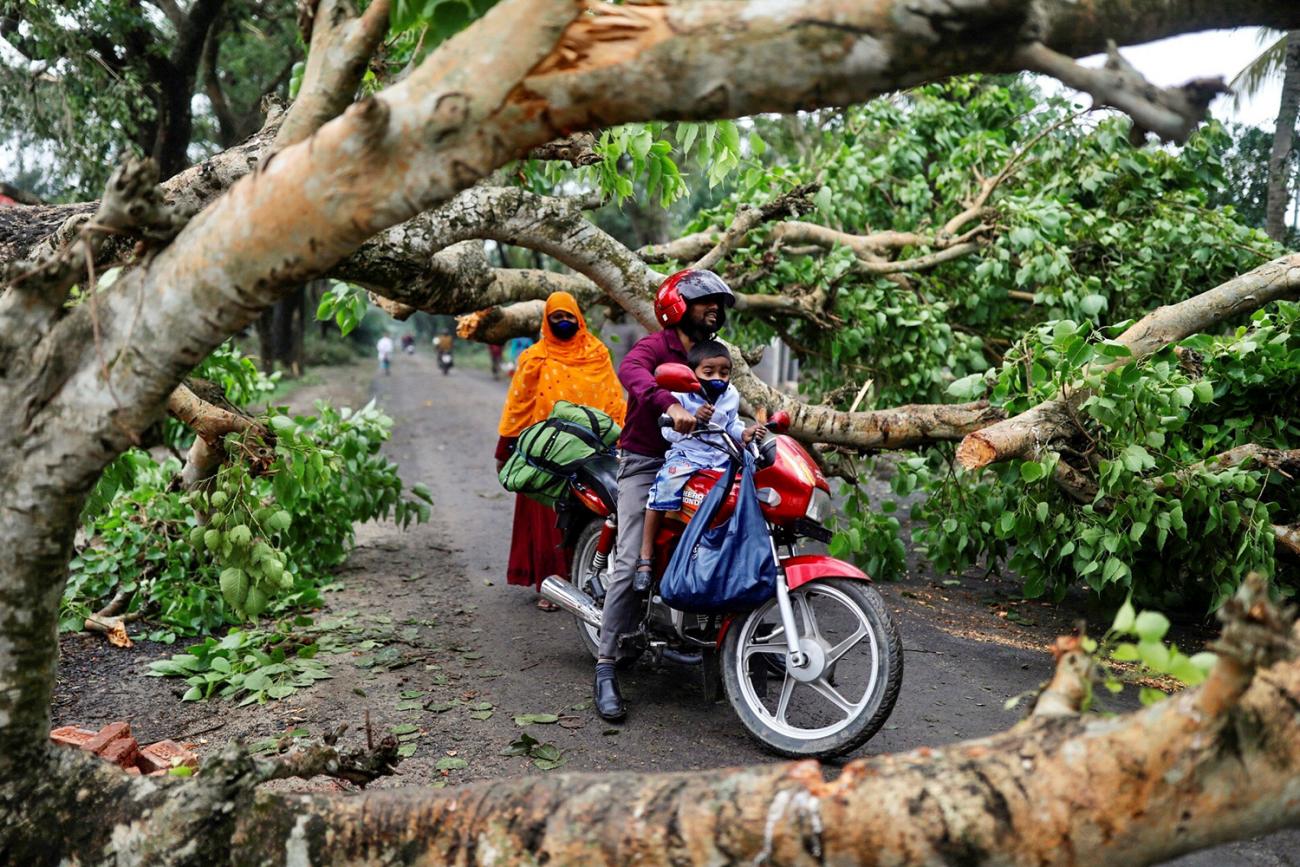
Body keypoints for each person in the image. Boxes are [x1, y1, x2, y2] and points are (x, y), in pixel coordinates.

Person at [594, 268, 735, 722]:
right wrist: (668, 404)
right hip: (647, 462)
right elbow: (631, 370)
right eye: (704, 301)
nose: (714, 308)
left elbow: (731, 400)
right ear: (678, 306)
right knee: (630, 557)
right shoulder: (656, 347)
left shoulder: (716, 355)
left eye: (718, 302)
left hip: (705, 459)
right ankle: (606, 665)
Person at [495, 292, 626, 610]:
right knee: (548, 523)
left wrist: (619, 439)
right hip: (548, 454)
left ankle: (592, 585)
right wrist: (506, 446)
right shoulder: (535, 357)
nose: (563, 323)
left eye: (569, 317)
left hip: (591, 452)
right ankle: (552, 586)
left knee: (591, 518)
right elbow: (519, 403)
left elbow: (612, 397)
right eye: (557, 318)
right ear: (547, 321)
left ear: (579, 319)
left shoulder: (596, 353)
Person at [637, 341, 763, 587]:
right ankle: (645, 556)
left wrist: (744, 434)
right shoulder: (680, 395)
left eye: (724, 373)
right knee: (661, 492)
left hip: (719, 459)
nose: (718, 378)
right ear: (692, 373)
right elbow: (668, 434)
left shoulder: (731, 395)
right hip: (686, 457)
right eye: (709, 372)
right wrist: (691, 420)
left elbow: (731, 424)